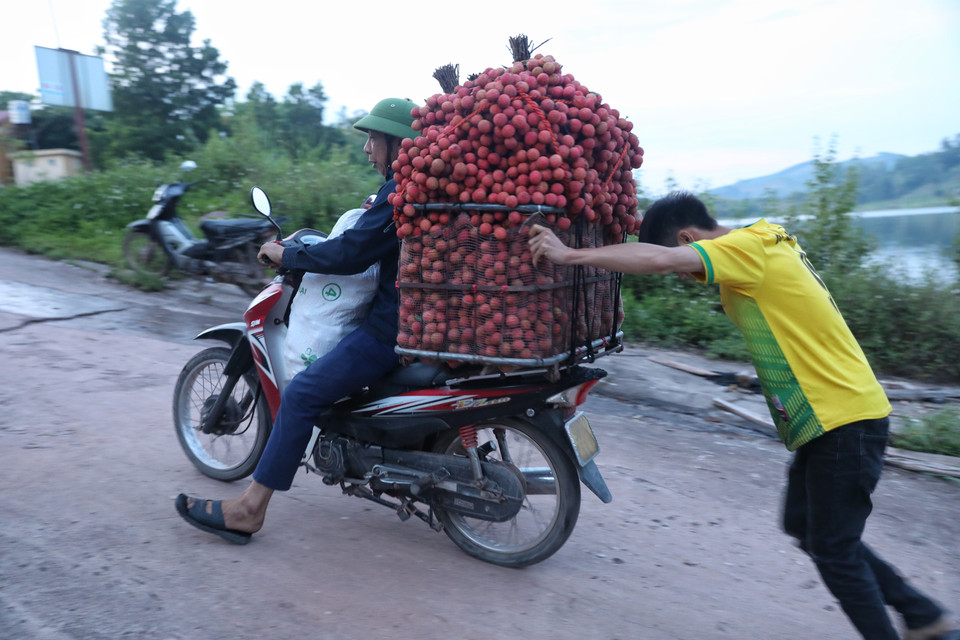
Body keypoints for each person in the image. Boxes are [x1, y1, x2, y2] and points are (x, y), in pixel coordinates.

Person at [528, 191, 958, 640]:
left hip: (843, 420)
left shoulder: (745, 250)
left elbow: (660, 259)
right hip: (833, 417)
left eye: (682, 259)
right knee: (805, 526)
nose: (685, 275)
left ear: (688, 238)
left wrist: (569, 254)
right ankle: (924, 615)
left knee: (835, 549)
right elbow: (660, 251)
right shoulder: (763, 239)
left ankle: (911, 622)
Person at [175, 97, 420, 544]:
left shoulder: (399, 193)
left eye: (373, 138)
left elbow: (351, 253)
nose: (367, 149)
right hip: (416, 323)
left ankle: (249, 509)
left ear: (398, 144)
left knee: (304, 393)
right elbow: (359, 243)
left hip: (391, 330)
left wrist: (288, 255)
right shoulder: (415, 191)